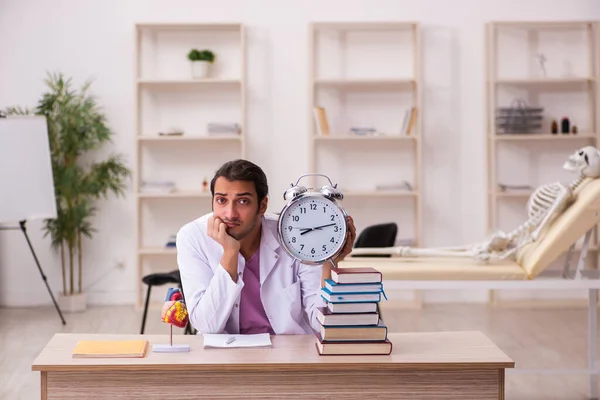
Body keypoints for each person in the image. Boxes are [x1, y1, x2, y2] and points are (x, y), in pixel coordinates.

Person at [176, 159, 356, 335]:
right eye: (221, 200)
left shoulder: (292, 236)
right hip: (225, 356)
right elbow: (206, 324)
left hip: (289, 354)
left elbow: (321, 323)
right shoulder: (192, 237)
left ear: (262, 206)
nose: (230, 214)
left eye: (243, 201)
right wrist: (230, 253)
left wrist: (328, 263)